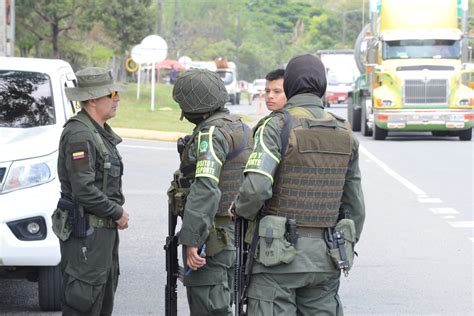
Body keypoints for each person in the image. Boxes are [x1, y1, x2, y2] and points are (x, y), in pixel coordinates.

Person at [234, 54, 365, 315]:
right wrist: (344, 244)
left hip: (277, 258)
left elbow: (257, 188)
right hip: (326, 256)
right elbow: (355, 205)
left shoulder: (277, 125)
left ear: (290, 85)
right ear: (323, 86)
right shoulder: (344, 132)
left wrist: (240, 210)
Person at [171, 69, 252, 315]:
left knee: (208, 305)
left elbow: (206, 187)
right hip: (237, 233)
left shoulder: (210, 134)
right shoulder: (242, 127)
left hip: (213, 235)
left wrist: (191, 239)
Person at [55, 67, 129, 315]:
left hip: (100, 233)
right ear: (93, 99)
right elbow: (83, 190)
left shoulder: (98, 132)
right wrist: (116, 211)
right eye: (112, 93)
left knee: (101, 299)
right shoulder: (80, 134)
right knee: (84, 302)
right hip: (86, 233)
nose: (117, 98)